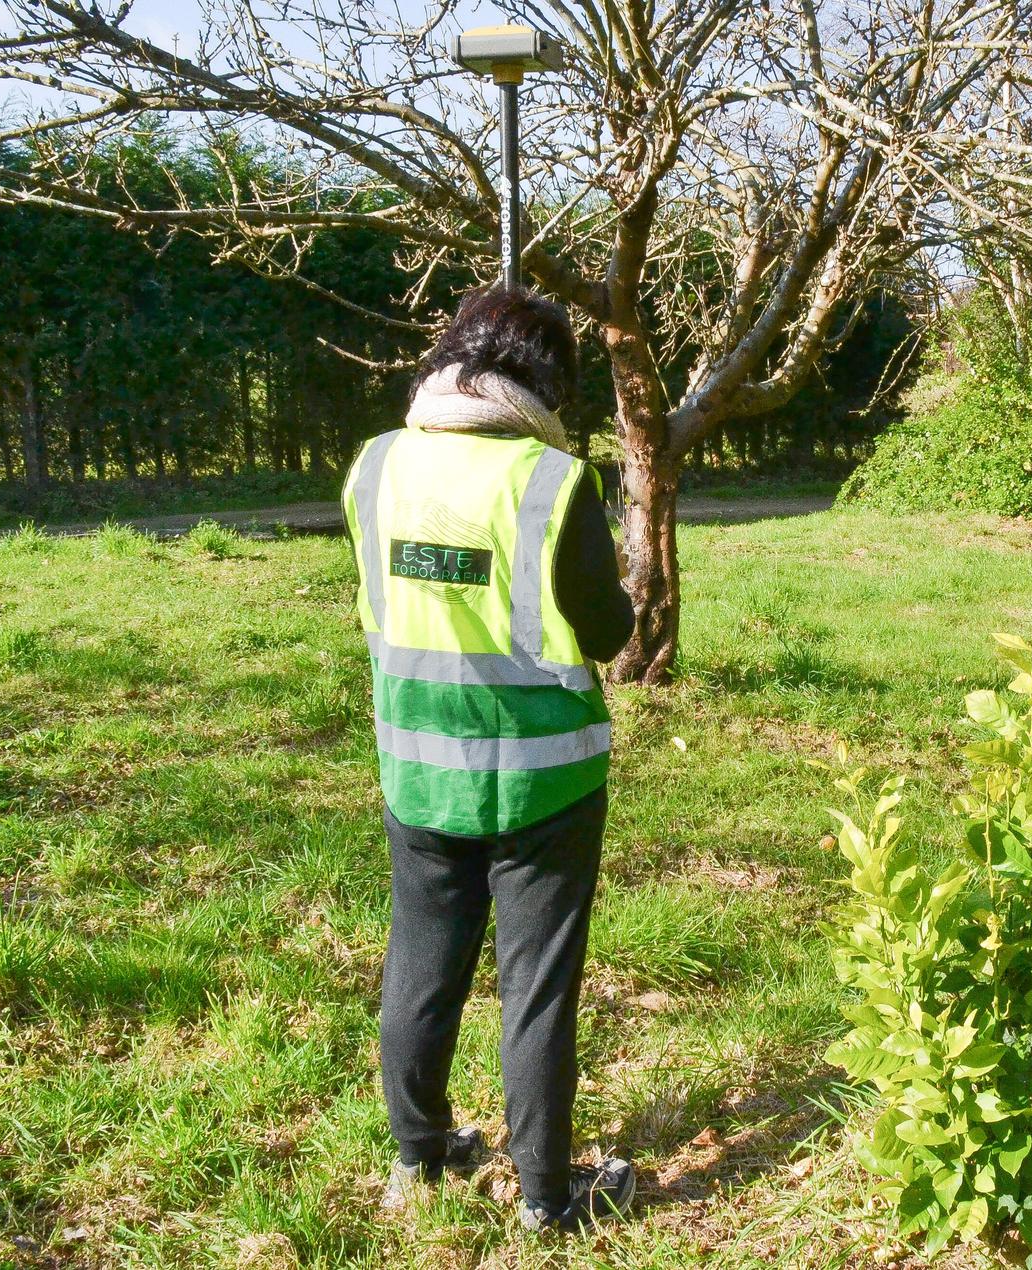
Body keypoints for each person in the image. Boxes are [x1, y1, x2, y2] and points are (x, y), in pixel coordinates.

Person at [341, 285, 637, 1234]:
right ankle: (549, 1200)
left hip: (419, 768)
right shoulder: (553, 482)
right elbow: (607, 628)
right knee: (536, 983)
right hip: (545, 782)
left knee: (421, 964)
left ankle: (417, 1159)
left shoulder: (375, 467)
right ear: (547, 379)